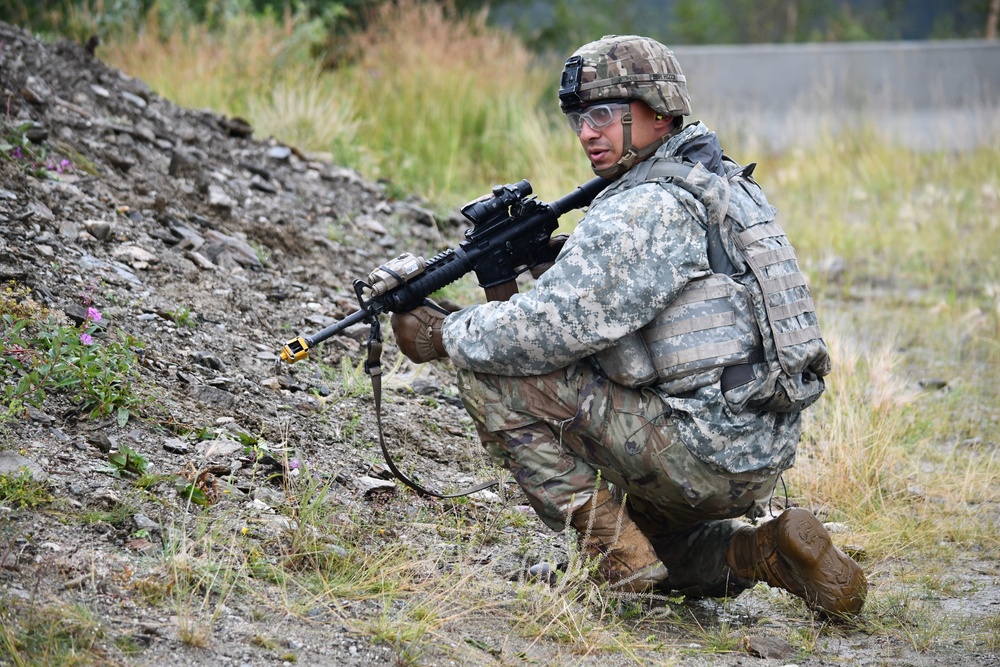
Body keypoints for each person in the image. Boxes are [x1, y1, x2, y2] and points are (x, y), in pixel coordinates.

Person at [390, 34, 867, 616]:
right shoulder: (724, 185)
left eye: (603, 115)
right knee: (664, 550)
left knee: (485, 373)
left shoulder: (645, 207)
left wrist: (439, 335)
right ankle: (763, 550)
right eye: (578, 119)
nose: (587, 132)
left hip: (697, 453)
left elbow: (544, 333)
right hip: (757, 450)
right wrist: (545, 261)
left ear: (658, 112)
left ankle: (616, 556)